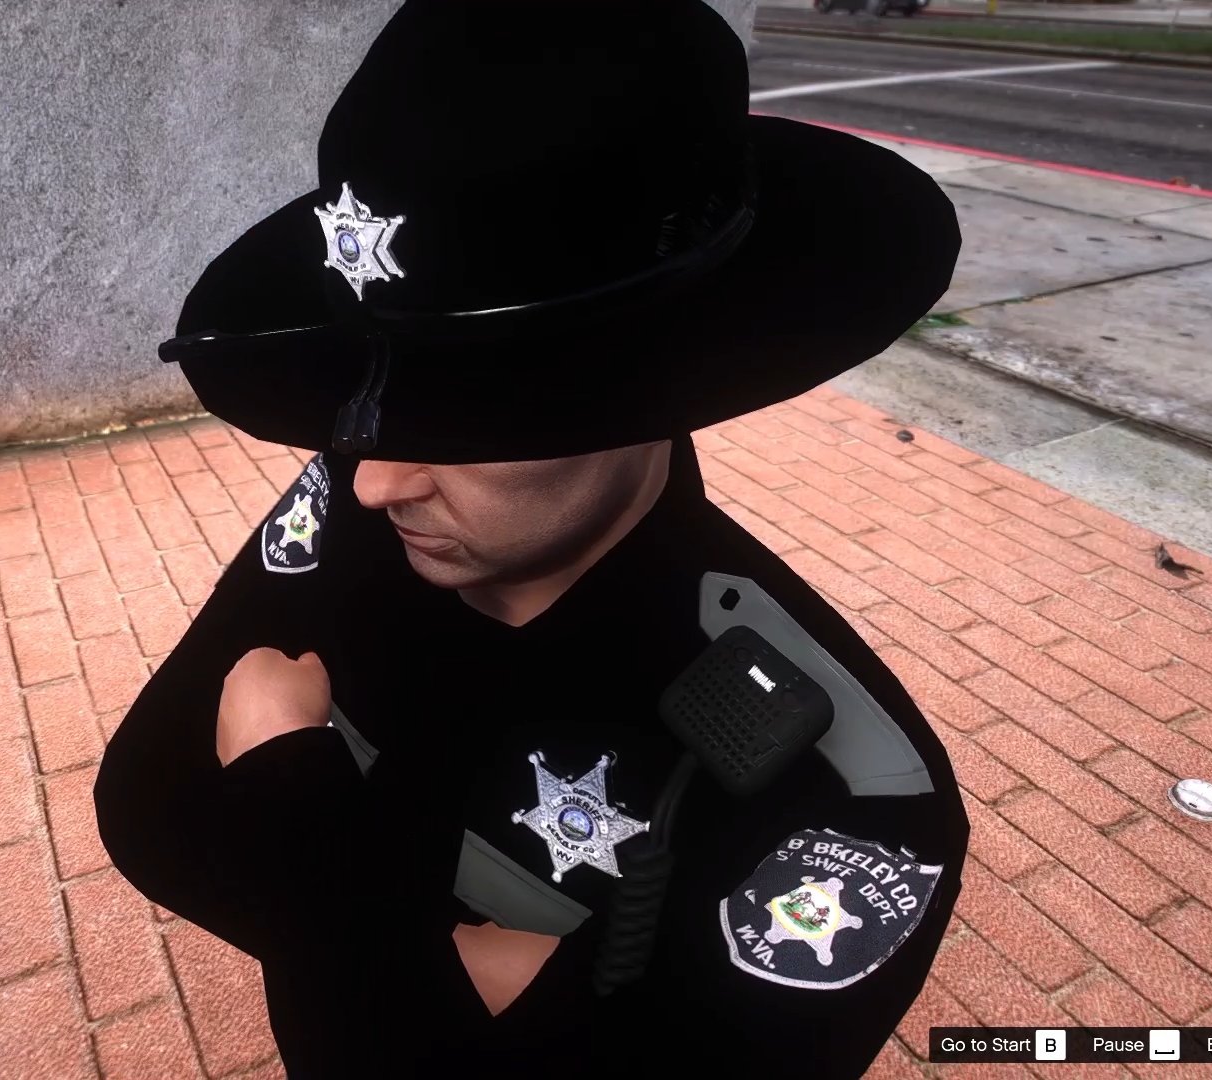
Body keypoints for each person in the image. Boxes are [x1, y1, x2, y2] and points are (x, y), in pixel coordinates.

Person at [92, 1, 970, 1075]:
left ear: (659, 383)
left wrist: (285, 776)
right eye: (368, 397)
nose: (372, 480)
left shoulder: (851, 798)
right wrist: (458, 976)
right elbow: (150, 811)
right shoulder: (373, 504)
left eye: (471, 422)